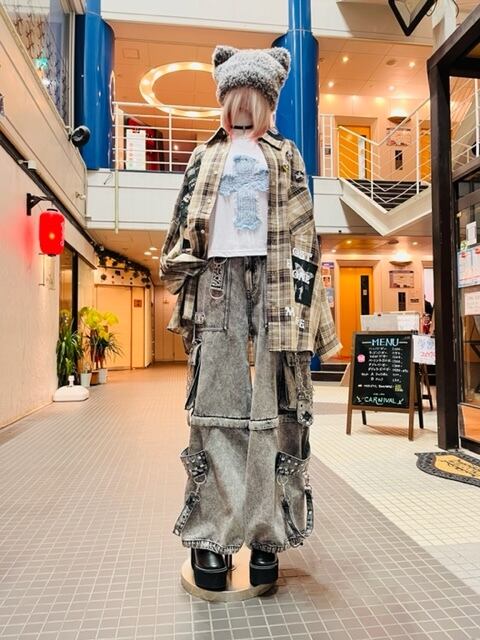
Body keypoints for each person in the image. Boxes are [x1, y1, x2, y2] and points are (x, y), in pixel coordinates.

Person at [160, 45, 341, 591]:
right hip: (218, 282)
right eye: (233, 97)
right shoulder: (204, 154)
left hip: (276, 284)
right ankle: (212, 535)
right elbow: (182, 226)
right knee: (214, 407)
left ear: (266, 101)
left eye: (251, 98)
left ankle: (267, 535)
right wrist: (181, 265)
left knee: (277, 409)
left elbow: (306, 236)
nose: (240, 108)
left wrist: (309, 314)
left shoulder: (287, 155)